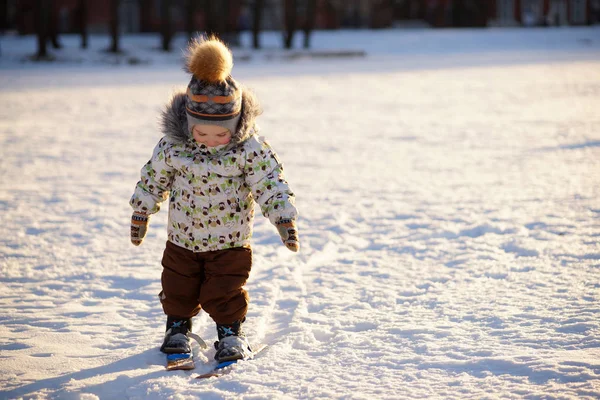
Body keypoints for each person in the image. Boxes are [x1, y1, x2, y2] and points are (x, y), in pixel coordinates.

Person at [129, 36, 299, 362]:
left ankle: (231, 333)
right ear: (189, 123)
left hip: (230, 241)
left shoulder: (249, 150)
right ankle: (177, 327)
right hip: (182, 238)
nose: (211, 140)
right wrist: (141, 212)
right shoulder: (173, 147)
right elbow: (154, 178)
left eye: (220, 133)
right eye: (201, 132)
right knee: (178, 286)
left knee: (225, 290)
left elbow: (269, 182)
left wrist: (283, 218)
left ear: (235, 126)